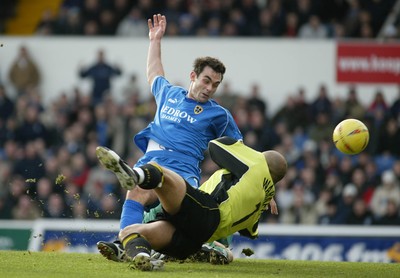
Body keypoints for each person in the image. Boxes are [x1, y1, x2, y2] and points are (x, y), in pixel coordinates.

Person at [96, 14, 243, 263]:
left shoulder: (219, 115)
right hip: (152, 160)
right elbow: (154, 71)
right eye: (206, 80)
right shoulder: (169, 94)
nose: (209, 88)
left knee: (164, 214)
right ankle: (126, 244)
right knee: (136, 194)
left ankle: (210, 246)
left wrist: (265, 188)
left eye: (215, 85)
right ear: (193, 76)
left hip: (182, 173)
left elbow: (240, 151)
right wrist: (155, 40)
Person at [101, 136, 287, 271]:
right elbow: (250, 233)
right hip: (198, 238)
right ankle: (139, 255)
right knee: (130, 232)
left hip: (207, 211)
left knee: (161, 173)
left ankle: (136, 176)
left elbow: (216, 146)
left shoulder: (256, 165)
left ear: (263, 160)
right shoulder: (262, 201)